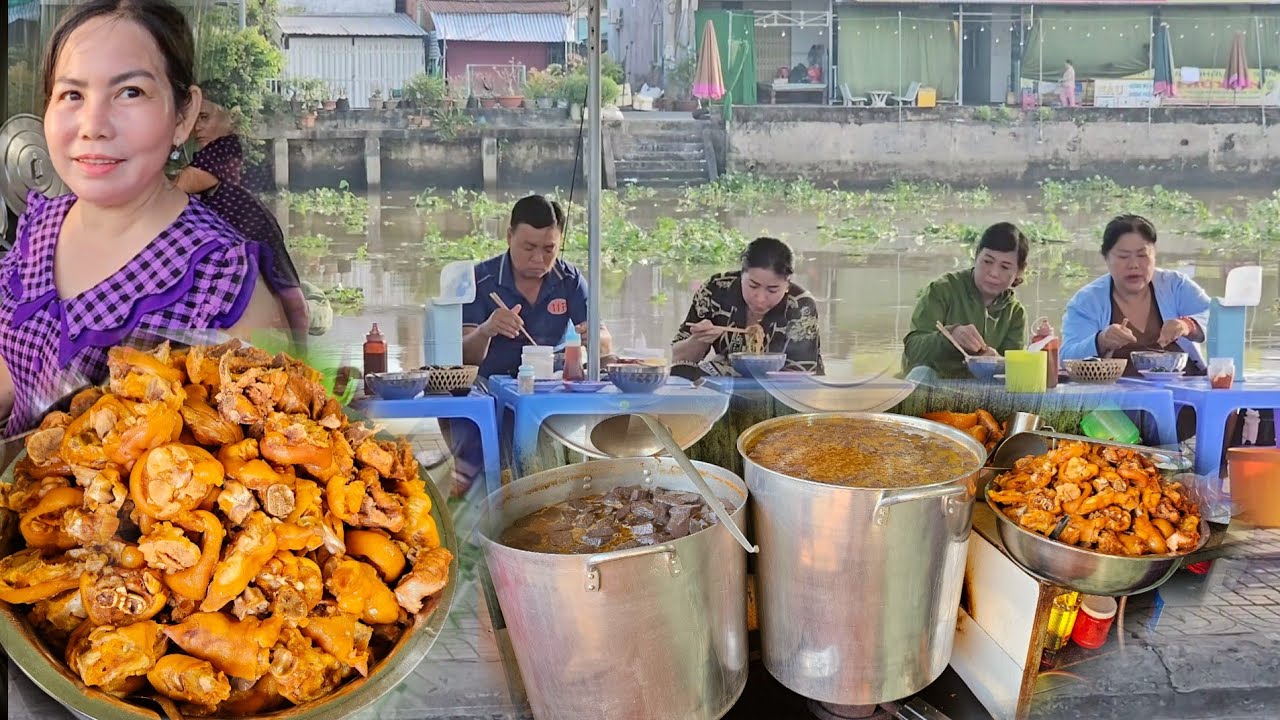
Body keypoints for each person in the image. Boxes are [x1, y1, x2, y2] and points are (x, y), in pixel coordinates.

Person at [0, 0, 288, 435]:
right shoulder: (37, 228)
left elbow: (262, 458)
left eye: (130, 92)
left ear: (184, 113)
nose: (93, 125)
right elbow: (13, 373)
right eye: (72, 94)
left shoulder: (225, 286)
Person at [174, 95, 317, 342]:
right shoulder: (210, 152)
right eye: (193, 120)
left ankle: (300, 360)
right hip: (244, 235)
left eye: (205, 118)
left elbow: (181, 186)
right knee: (283, 303)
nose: (197, 127)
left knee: (291, 304)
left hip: (253, 233)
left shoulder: (224, 148)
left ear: (232, 117)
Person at [462, 194, 611, 377]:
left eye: (549, 249)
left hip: (554, 385)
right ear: (509, 237)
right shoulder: (480, 280)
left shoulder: (569, 280)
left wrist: (595, 338)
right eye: (529, 248)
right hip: (494, 386)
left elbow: (605, 343)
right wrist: (486, 330)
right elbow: (464, 358)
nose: (538, 259)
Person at [1061, 214, 1210, 374]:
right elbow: (1067, 357)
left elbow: (1218, 318)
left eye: (1142, 255)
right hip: (1117, 396)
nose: (1134, 265)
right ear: (1106, 257)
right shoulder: (1087, 301)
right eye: (1123, 256)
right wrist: (1100, 341)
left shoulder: (1175, 285)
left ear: (1155, 254)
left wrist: (1187, 325)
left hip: (1185, 390)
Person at [672, 237, 823, 376]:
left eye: (772, 290)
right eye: (753, 286)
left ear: (787, 285)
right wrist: (699, 339)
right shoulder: (716, 290)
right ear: (741, 275)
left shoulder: (801, 306)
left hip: (784, 391)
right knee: (680, 373)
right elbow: (679, 358)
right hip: (726, 380)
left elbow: (802, 374)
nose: (760, 299)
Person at [902, 222, 1029, 378]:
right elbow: (913, 350)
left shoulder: (1015, 313)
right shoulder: (942, 291)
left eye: (1005, 267)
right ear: (976, 256)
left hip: (980, 392)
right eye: (987, 262)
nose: (994, 273)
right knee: (921, 374)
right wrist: (950, 337)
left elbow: (1014, 372)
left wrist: (998, 361)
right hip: (936, 385)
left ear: (1019, 271)